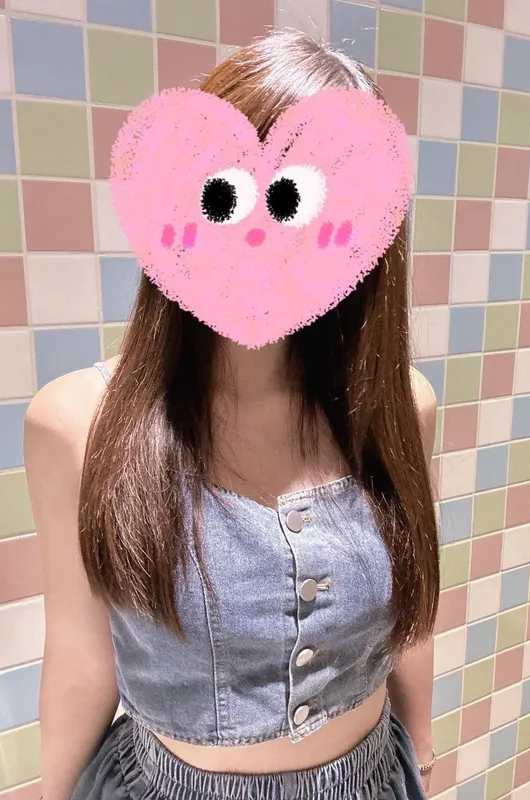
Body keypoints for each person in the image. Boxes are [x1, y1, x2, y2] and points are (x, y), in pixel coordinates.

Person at [24, 29, 440, 800]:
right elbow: (82, 655)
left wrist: (422, 746)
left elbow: (407, 617)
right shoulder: (77, 424)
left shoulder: (399, 407)